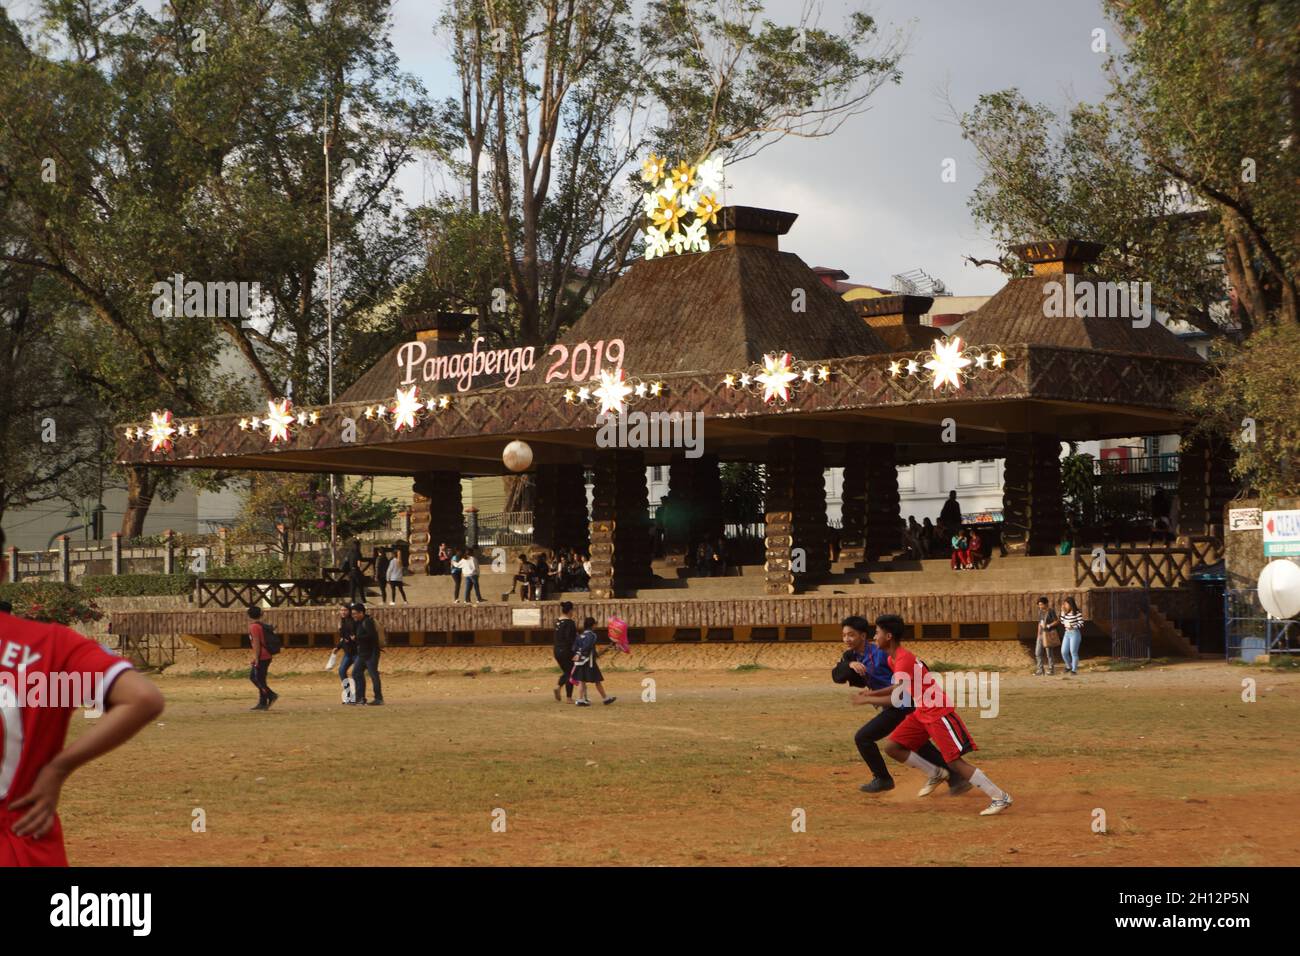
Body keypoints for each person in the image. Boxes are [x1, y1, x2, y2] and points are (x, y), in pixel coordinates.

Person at [0, 526, 165, 866]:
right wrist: (59, 768)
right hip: (23, 843)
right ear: (3, 570)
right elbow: (143, 698)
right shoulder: (51, 645)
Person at [852, 614, 1013, 816]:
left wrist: (868, 698)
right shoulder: (894, 659)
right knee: (893, 746)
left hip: (937, 712)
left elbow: (897, 695)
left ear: (889, 636)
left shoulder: (902, 659)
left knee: (955, 761)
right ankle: (935, 772)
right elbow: (902, 690)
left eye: (877, 632)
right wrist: (871, 695)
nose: (874, 637)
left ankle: (999, 796)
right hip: (922, 712)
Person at [834, 616, 966, 796]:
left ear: (863, 636)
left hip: (903, 704)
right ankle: (956, 778)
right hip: (894, 704)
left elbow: (909, 671)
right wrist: (849, 664)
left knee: (864, 738)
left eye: (851, 635)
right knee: (918, 745)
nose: (846, 639)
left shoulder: (881, 653)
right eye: (844, 635)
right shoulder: (852, 656)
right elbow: (837, 675)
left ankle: (883, 779)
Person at [571, 616, 616, 706]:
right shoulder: (592, 635)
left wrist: (578, 654)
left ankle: (580, 699)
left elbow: (574, 648)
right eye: (595, 624)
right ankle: (605, 698)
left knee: (581, 680)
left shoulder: (580, 636)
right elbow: (588, 646)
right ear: (592, 625)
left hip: (580, 661)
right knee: (597, 680)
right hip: (589, 661)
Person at [349, 603, 383, 705]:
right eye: (352, 614)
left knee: (373, 675)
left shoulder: (367, 622)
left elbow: (372, 636)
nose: (353, 616)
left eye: (355, 613)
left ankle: (378, 698)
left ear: (361, 613)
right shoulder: (359, 622)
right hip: (362, 653)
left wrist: (357, 638)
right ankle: (360, 698)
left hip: (371, 653)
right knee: (356, 673)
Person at [247, 606, 278, 711]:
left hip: (261, 656)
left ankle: (271, 695)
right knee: (261, 679)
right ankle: (262, 702)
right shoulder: (262, 626)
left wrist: (256, 658)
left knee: (255, 678)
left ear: (249, 615)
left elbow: (256, 643)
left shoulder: (254, 627)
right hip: (267, 655)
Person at [553, 601, 578, 702]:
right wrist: (575, 652)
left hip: (557, 650)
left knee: (567, 671)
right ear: (570, 610)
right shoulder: (570, 623)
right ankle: (568, 697)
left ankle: (559, 686)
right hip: (566, 650)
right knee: (571, 672)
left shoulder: (557, 621)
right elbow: (569, 639)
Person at [335, 602, 358, 703]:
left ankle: (357, 696)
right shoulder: (342, 621)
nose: (343, 612)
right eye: (341, 610)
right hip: (348, 652)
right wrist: (338, 647)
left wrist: (350, 638)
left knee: (356, 673)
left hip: (357, 652)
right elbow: (343, 637)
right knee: (341, 671)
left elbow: (352, 635)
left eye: (345, 610)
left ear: (349, 611)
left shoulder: (352, 621)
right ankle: (349, 694)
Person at [1034, 596, 1061, 676]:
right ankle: (1040, 670)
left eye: (1041, 604)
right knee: (1037, 653)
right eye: (1039, 605)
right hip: (1041, 635)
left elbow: (1057, 621)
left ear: (1046, 604)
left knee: (1049, 653)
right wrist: (1038, 634)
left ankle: (1051, 670)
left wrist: (1048, 625)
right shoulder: (1040, 612)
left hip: (1048, 634)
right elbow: (1039, 623)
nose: (1040, 606)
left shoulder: (1051, 611)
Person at [1059, 597, 1085, 675]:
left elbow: (1081, 624)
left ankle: (1074, 670)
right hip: (1067, 633)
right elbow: (1062, 622)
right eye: (1064, 604)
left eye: (1066, 604)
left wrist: (1073, 626)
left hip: (1075, 633)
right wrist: (1062, 612)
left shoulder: (1077, 612)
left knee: (1073, 652)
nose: (1065, 605)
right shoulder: (1065, 612)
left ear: (1070, 604)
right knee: (1063, 652)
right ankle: (1068, 666)